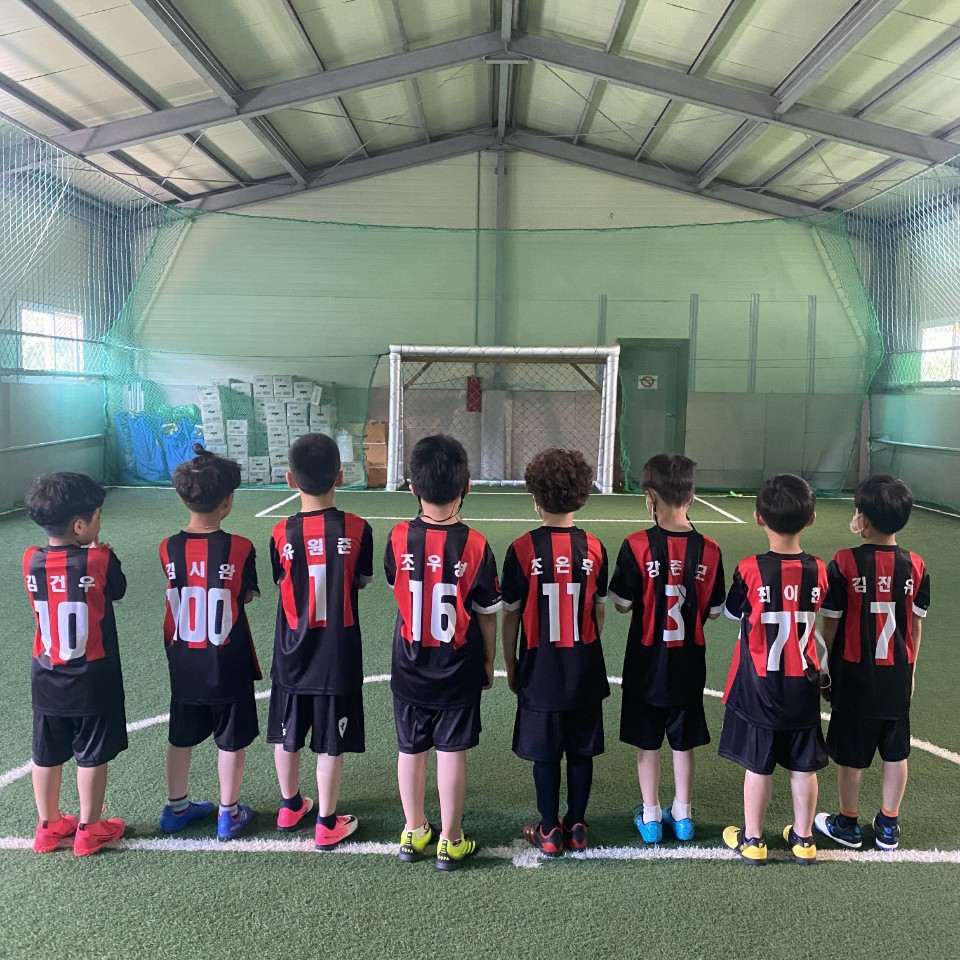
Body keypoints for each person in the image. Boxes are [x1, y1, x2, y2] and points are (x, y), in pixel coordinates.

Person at [384, 434, 501, 871]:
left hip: (410, 664)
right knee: (452, 752)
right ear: (466, 486)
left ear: (413, 488)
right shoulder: (476, 544)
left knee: (410, 749)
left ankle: (414, 830)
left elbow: (397, 585)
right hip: (458, 665)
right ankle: (451, 840)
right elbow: (486, 613)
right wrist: (489, 660)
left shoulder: (398, 537)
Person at [608, 454, 725, 843]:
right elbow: (714, 611)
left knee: (647, 741)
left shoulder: (636, 544)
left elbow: (622, 603)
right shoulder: (710, 550)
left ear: (649, 496)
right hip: (688, 662)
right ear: (691, 497)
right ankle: (684, 814)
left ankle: (652, 815)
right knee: (683, 740)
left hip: (645, 663)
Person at [502, 448, 609, 857]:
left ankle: (548, 829)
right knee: (581, 750)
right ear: (581, 496)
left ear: (536, 498)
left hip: (540, 669)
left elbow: (511, 615)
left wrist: (511, 663)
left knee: (545, 754)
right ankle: (577, 826)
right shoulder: (595, 548)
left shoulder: (522, 549)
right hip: (584, 667)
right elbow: (598, 611)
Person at [268, 433, 373, 850]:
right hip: (337, 655)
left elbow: (281, 580)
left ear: (291, 479)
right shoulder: (358, 529)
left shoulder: (280, 532)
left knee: (287, 733)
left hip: (291, 653)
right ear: (341, 477)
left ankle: (290, 805)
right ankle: (327, 821)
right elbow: (361, 581)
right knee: (331, 741)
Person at [815, 476, 930, 852]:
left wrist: (825, 672)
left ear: (862, 518)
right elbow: (914, 627)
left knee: (851, 753)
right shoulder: (915, 565)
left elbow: (829, 626)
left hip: (854, 674)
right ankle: (888, 824)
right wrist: (911, 671)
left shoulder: (844, 562)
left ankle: (847, 822)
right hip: (896, 673)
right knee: (896, 749)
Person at [719, 474, 829, 866]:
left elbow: (732, 612)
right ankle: (803, 839)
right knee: (803, 766)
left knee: (758, 765)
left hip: (759, 688)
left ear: (758, 518)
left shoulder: (750, 568)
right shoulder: (820, 569)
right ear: (811, 519)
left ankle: (753, 840)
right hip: (803, 685)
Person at [160, 445, 261, 842]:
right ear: (228, 501)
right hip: (228, 659)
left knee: (180, 734)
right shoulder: (240, 547)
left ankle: (176, 807)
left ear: (182, 498)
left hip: (184, 659)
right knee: (231, 740)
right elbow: (245, 594)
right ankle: (228, 813)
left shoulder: (167, 547)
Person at [23, 473, 127, 856]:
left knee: (46, 752)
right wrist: (100, 551)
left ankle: (48, 825)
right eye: (98, 517)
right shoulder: (99, 559)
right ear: (80, 525)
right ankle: (89, 827)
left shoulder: (29, 559)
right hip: (91, 677)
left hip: (46, 675)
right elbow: (117, 591)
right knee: (92, 753)